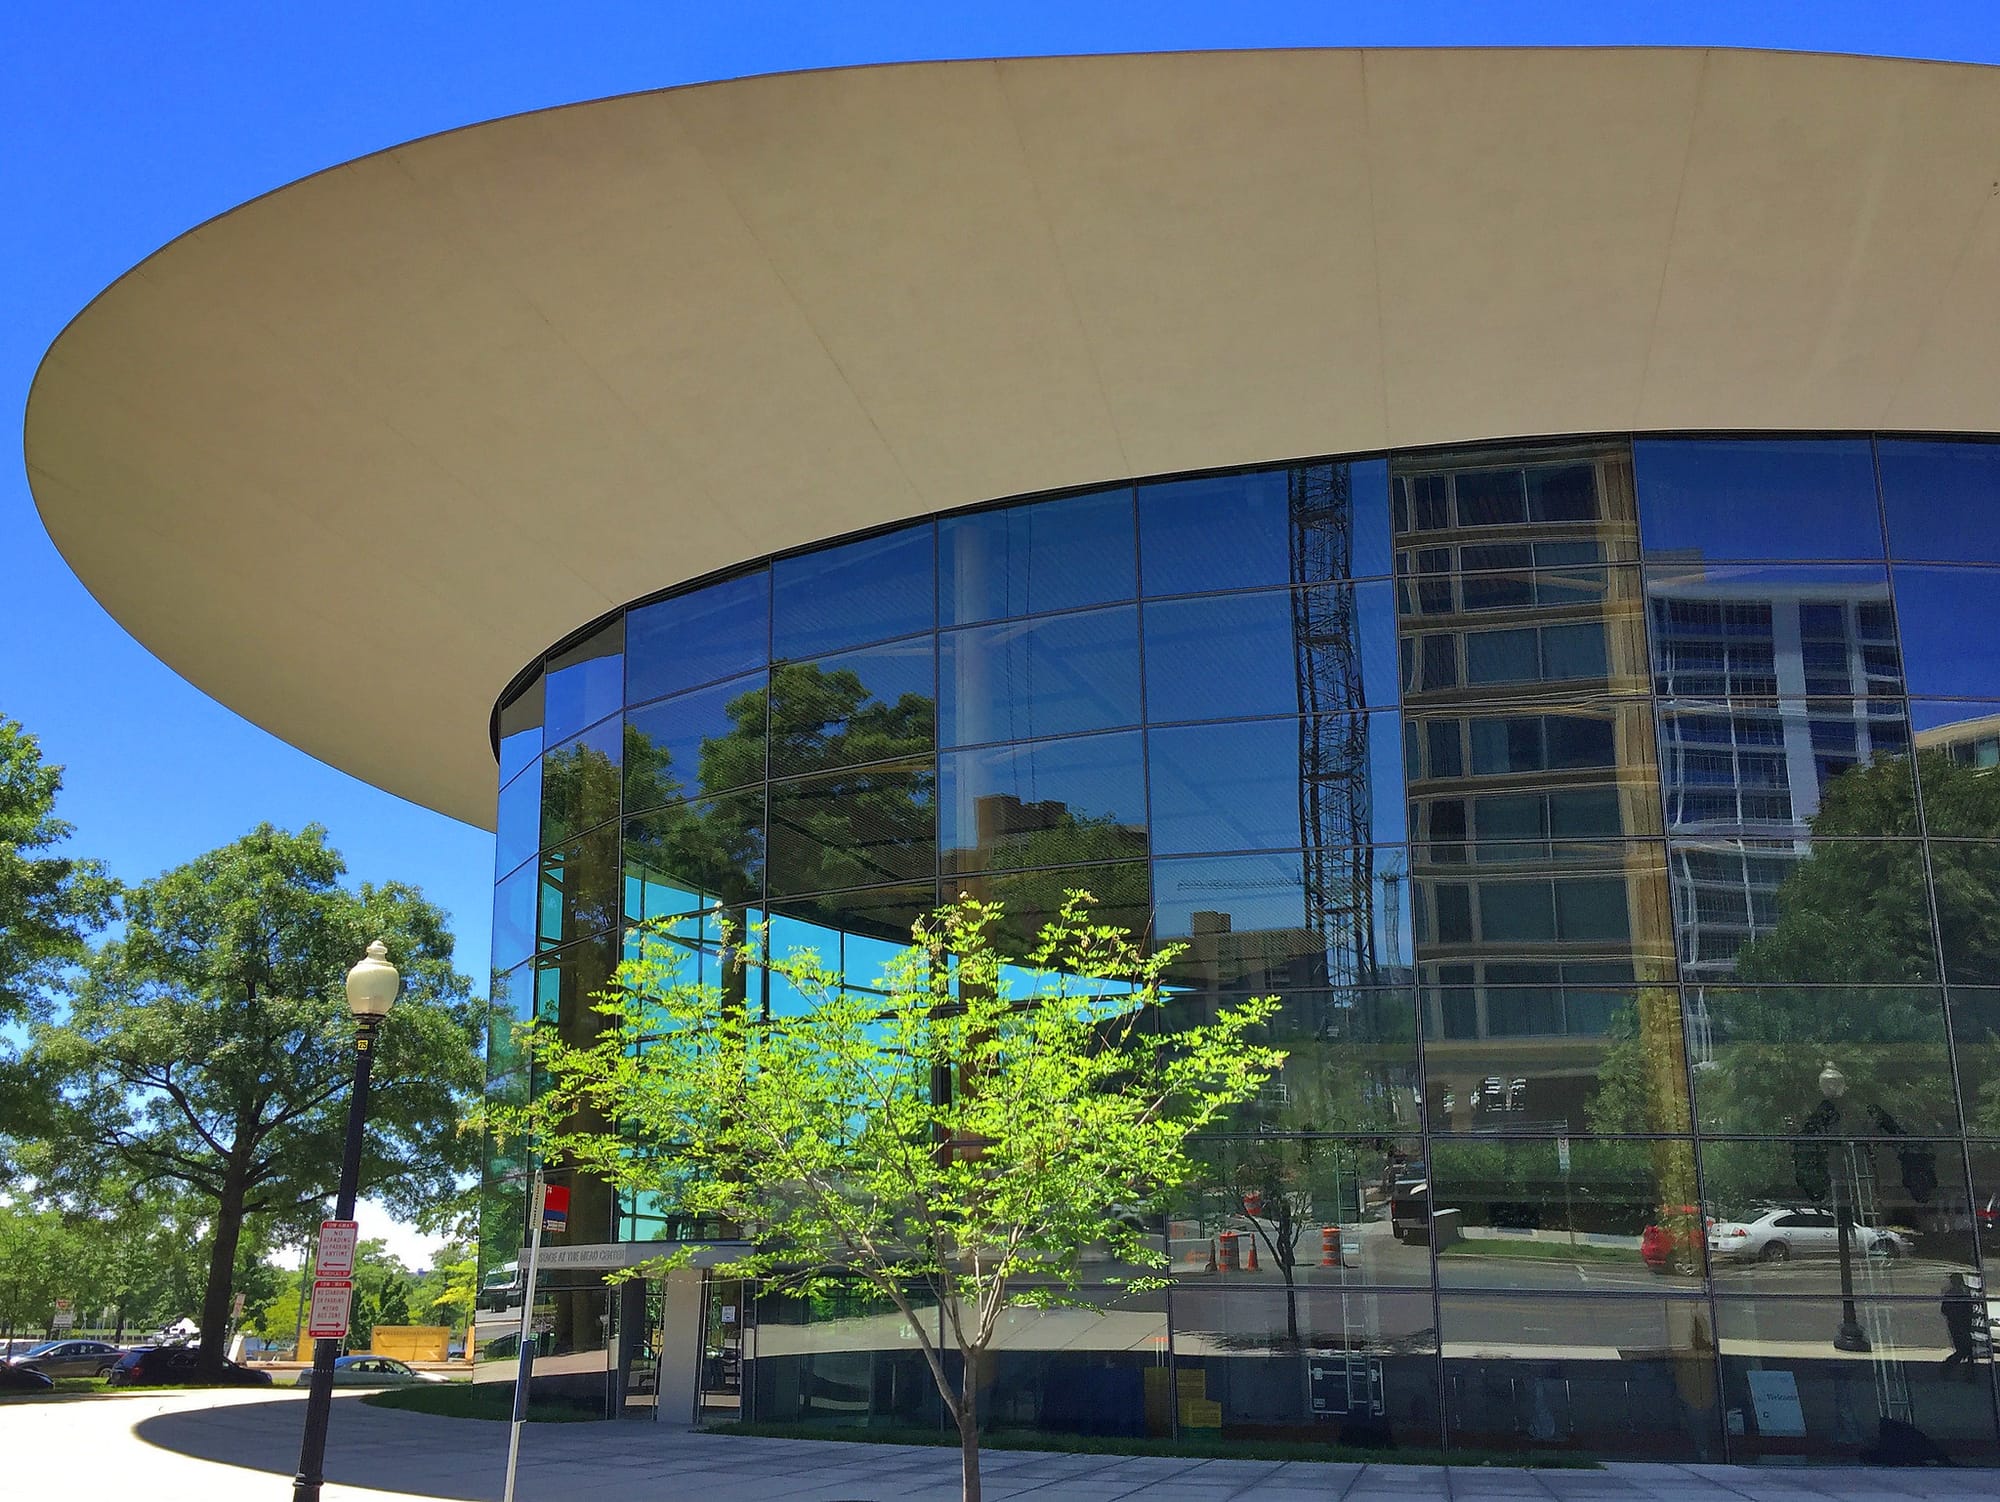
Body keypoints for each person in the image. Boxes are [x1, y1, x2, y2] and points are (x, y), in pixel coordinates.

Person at [1939, 1272, 1978, 1378]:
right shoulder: (1960, 1293)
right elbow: (1945, 1309)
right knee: (1964, 1350)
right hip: (1959, 1325)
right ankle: (1947, 1367)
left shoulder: (1956, 1293)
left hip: (1959, 1325)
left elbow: (1944, 1309)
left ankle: (1967, 1373)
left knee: (1966, 1350)